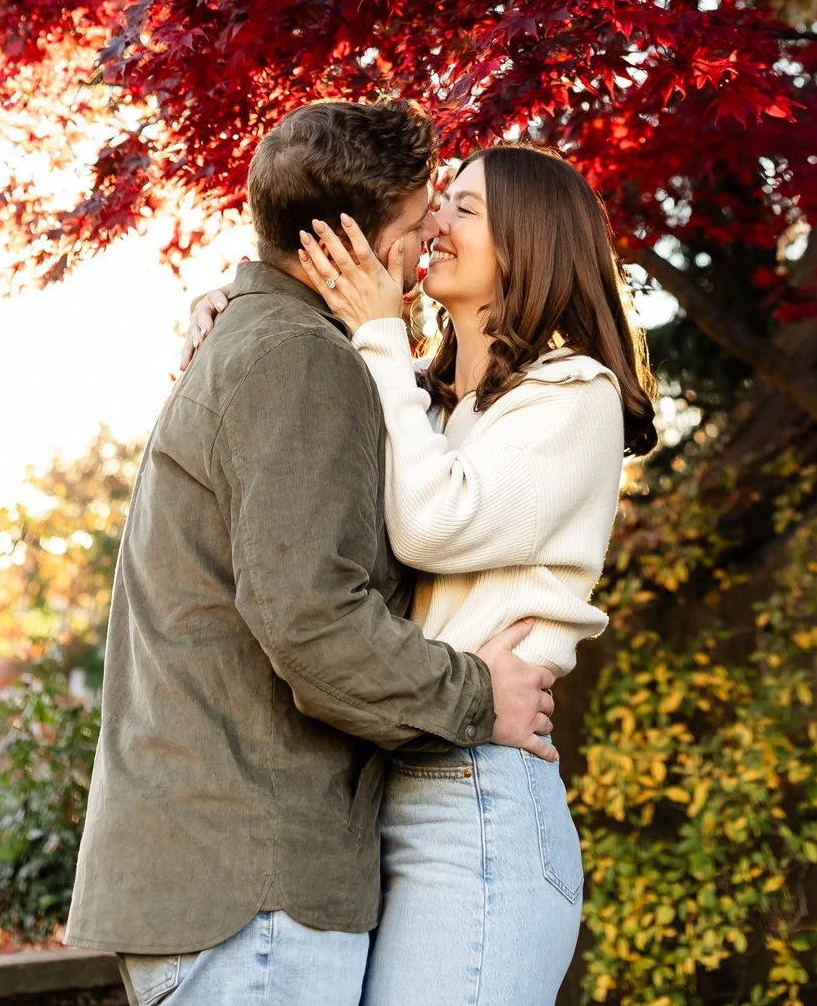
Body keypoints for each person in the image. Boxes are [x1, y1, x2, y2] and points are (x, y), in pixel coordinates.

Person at [63, 98, 561, 1006]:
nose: (424, 249)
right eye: (414, 227)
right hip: (252, 887)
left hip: (234, 881)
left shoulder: (270, 343)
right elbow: (310, 618)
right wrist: (477, 695)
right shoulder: (297, 359)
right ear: (347, 245)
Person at [189, 140, 658, 1006]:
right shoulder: (425, 397)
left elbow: (432, 523)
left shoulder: (574, 394)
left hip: (475, 791)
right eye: (437, 203)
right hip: (388, 777)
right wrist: (242, 304)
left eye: (463, 209)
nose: (430, 224)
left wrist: (374, 332)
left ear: (529, 243)